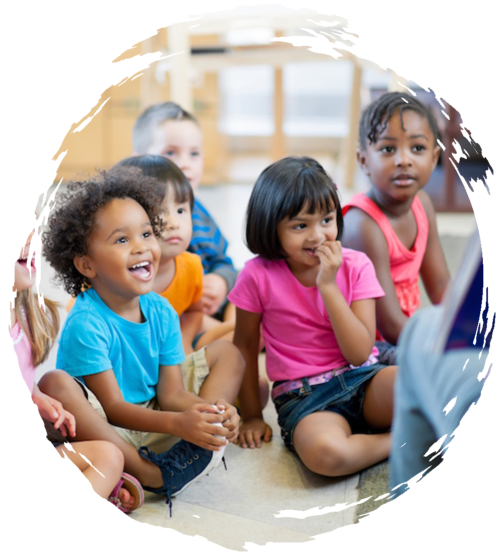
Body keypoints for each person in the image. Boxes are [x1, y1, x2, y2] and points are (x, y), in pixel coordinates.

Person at [38, 168, 244, 515]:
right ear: (87, 264)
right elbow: (115, 410)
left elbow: (171, 393)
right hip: (109, 430)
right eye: (122, 240)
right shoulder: (86, 322)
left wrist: (208, 414)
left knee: (229, 353)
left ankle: (202, 438)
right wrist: (179, 424)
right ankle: (146, 472)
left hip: (154, 415)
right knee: (54, 383)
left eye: (147, 233)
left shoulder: (160, 309)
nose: (142, 248)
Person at [229, 156, 397, 478]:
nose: (318, 236)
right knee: (326, 455)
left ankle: (378, 432)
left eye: (326, 220)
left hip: (362, 377)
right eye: (300, 225)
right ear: (270, 226)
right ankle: (398, 441)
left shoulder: (356, 264)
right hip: (304, 398)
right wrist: (252, 415)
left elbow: (360, 353)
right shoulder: (255, 276)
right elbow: (245, 347)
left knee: (426, 387)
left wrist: (328, 286)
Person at [9, 217, 142, 518]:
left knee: (108, 455)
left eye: (34, 228)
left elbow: (19, 377)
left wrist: (36, 397)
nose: (31, 239)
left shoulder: (29, 313)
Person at [112, 154, 269, 408]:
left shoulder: (191, 266)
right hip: (132, 366)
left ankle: (203, 415)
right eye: (160, 211)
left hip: (177, 347)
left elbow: (194, 311)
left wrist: (183, 342)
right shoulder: (115, 273)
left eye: (182, 210)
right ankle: (198, 408)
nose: (174, 222)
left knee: (252, 354)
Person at [342, 92, 451, 365]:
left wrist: (465, 327)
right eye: (388, 149)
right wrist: (443, 344)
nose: (404, 160)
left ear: (434, 157)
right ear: (364, 161)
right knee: (437, 369)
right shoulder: (363, 225)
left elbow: (440, 286)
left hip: (402, 333)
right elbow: (388, 323)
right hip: (367, 346)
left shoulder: (422, 205)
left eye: (417, 148)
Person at [132, 101, 238, 330]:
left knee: (251, 296)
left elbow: (225, 262)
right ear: (139, 161)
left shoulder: (200, 211)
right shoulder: (135, 219)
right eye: (170, 153)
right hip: (175, 316)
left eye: (194, 153)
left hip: (210, 305)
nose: (184, 164)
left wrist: (221, 282)